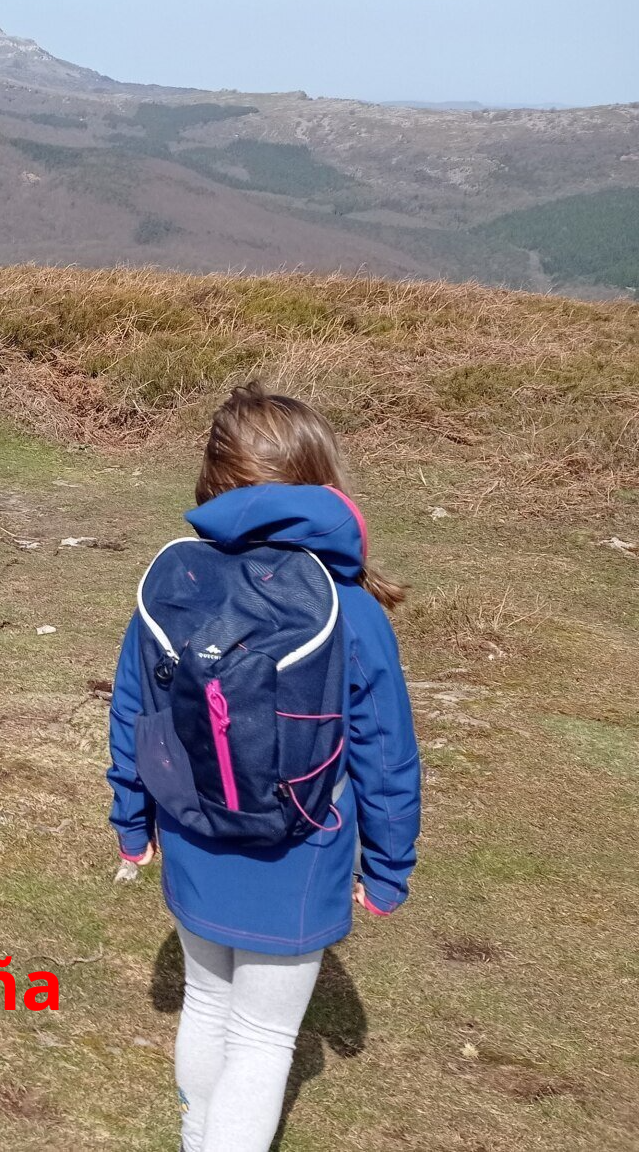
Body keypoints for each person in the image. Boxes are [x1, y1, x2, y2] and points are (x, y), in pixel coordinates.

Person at [106, 383, 420, 1152]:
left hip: (192, 834)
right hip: (301, 850)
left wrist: (130, 822)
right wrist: (388, 868)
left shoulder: (174, 585)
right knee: (263, 1037)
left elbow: (132, 711)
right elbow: (386, 753)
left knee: (208, 1008)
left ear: (212, 481)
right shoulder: (353, 607)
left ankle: (196, 1136)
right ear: (321, 479)